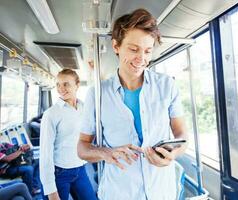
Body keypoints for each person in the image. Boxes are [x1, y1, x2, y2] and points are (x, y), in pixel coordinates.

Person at [77, 8, 188, 200]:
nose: (141, 59)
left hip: (161, 191)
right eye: (134, 49)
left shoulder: (167, 86)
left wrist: (173, 155)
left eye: (147, 51)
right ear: (116, 46)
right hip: (119, 192)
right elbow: (82, 147)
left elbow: (182, 135)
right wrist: (105, 153)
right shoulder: (98, 94)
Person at [39, 69, 96, 200]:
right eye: (58, 84)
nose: (61, 88)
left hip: (80, 169)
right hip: (59, 173)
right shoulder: (51, 114)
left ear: (77, 85)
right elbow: (45, 154)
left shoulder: (85, 108)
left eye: (66, 84)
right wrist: (51, 191)